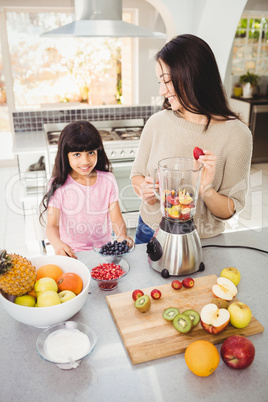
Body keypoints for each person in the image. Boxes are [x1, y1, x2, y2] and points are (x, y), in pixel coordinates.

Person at [131, 34, 252, 243]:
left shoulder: (237, 135)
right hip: (150, 232)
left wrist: (205, 189)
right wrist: (146, 191)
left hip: (202, 241)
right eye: (160, 81)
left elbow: (230, 210)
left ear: (193, 75)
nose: (161, 91)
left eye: (167, 80)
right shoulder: (156, 123)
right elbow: (137, 176)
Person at [40, 120, 127, 258]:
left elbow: (116, 218)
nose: (85, 161)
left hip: (103, 251)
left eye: (91, 153)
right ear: (65, 155)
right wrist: (58, 245)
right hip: (71, 253)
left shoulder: (108, 180)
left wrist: (122, 236)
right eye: (77, 154)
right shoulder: (58, 185)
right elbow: (52, 226)